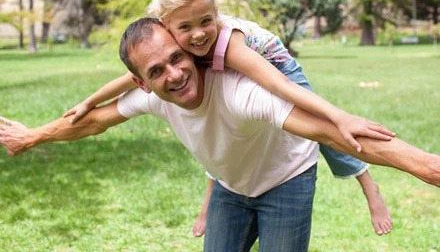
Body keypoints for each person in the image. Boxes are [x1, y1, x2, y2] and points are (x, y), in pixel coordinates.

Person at [1, 18, 439, 252]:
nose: (175, 74)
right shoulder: (151, 98)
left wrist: (427, 166)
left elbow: (334, 132)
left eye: (178, 57)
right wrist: (32, 136)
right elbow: (93, 119)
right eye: (156, 70)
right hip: (231, 187)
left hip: (287, 178)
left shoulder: (240, 91)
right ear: (141, 84)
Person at [63, 0, 394, 235]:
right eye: (186, 27)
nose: (199, 34)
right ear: (166, 27)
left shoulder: (228, 45)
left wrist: (341, 116)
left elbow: (276, 83)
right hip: (243, 86)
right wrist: (89, 101)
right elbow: (132, 77)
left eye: (206, 21)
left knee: (325, 131)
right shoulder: (174, 50)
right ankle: (210, 203)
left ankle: (368, 186)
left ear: (215, 13)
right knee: (217, 129)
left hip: (278, 69)